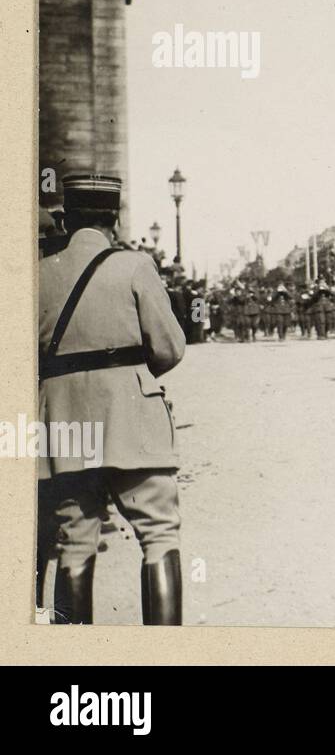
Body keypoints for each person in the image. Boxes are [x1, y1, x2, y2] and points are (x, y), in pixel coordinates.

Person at [37, 172, 185, 625]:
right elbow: (170, 347)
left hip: (63, 421)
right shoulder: (135, 266)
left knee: (75, 540)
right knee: (158, 533)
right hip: (130, 419)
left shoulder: (40, 272)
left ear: (69, 219)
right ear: (114, 221)